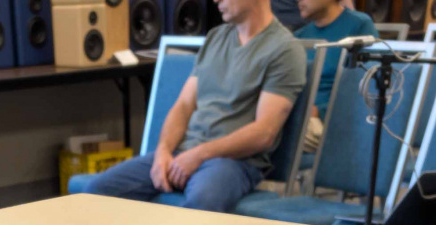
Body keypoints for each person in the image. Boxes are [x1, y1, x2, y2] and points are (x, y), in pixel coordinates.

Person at [84, 0, 306, 213]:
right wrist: (163, 152)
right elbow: (183, 106)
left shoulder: (284, 49)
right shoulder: (216, 37)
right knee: (96, 192)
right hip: (185, 152)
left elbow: (264, 133)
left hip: (234, 161)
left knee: (203, 201)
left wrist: (199, 155)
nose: (215, 0)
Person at [295, 0, 377, 152]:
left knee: (268, 136)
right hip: (301, 117)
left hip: (331, 123)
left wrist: (319, 110)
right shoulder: (300, 35)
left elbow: (368, 88)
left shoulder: (359, 25)